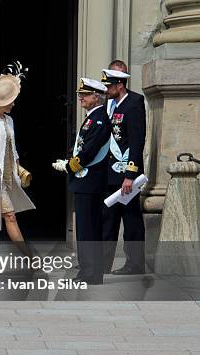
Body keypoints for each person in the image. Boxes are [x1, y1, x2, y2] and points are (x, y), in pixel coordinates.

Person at [52, 78, 111, 285]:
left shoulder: (99, 119)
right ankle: (92, 272)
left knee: (88, 229)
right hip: (88, 181)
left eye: (85, 94)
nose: (80, 98)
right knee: (88, 228)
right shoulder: (92, 117)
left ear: (97, 97)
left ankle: (89, 273)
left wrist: (70, 166)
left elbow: (89, 150)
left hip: (90, 180)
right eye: (80, 94)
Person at [101, 60, 146, 275]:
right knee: (108, 219)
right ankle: (103, 264)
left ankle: (135, 264)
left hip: (127, 175)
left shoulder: (134, 103)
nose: (106, 90)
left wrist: (130, 174)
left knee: (131, 220)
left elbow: (136, 142)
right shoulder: (111, 105)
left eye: (109, 86)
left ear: (120, 85)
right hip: (110, 173)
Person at [0, 66, 36, 254]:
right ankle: (30, 257)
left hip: (8, 176)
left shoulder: (9, 121)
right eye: (11, 101)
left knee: (0, 219)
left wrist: (18, 169)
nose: (14, 105)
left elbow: (13, 149)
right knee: (3, 218)